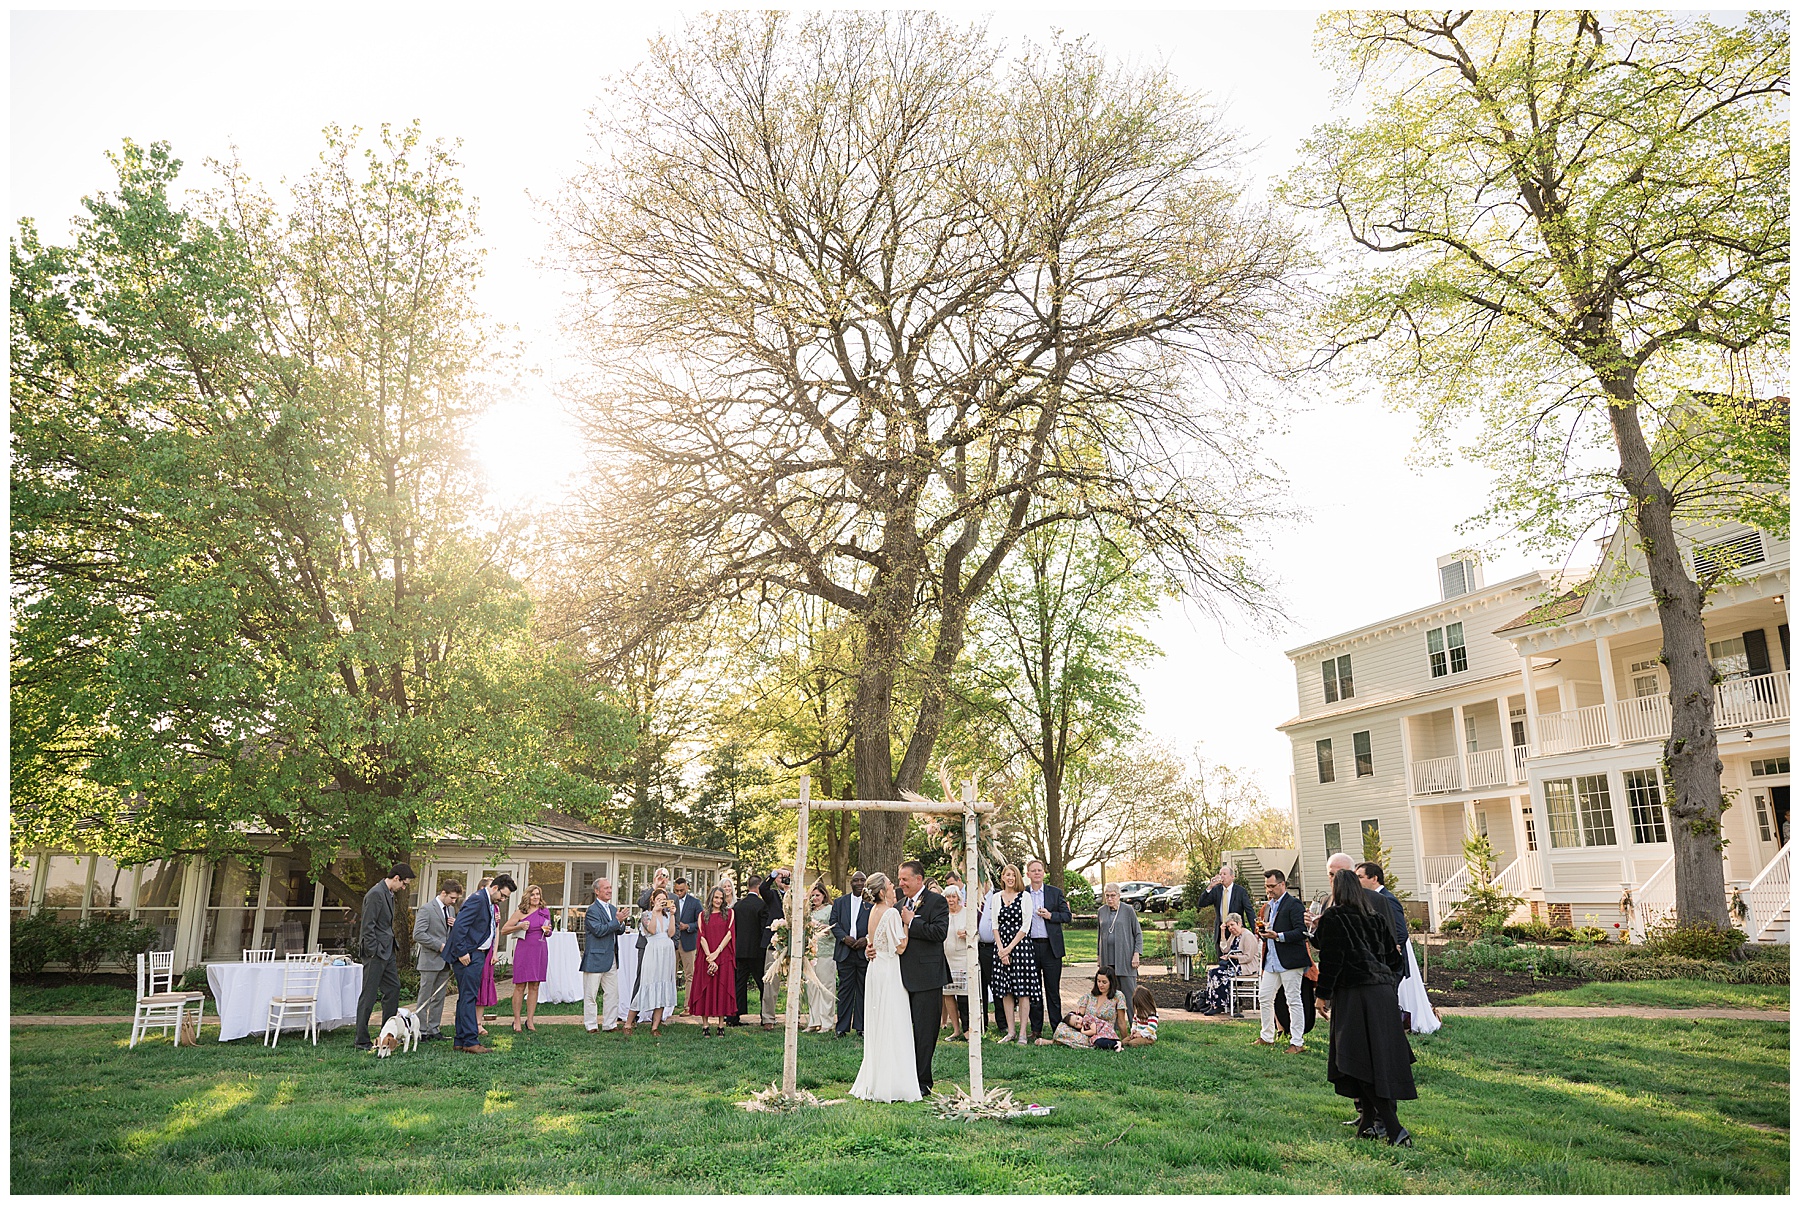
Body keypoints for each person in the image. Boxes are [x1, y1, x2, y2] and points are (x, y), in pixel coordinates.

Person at [1315, 868, 1416, 1146]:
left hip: (1355, 996)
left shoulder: (1334, 917)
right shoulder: (1375, 918)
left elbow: (1331, 961)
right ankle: (1369, 1125)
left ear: (1337, 890)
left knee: (1358, 1060)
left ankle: (1395, 1130)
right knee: (1373, 1060)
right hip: (1382, 995)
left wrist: (1321, 996)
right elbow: (1395, 961)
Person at [849, 873, 920, 1101]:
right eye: (890, 884)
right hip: (888, 971)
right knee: (893, 1022)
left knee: (879, 1023)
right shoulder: (890, 913)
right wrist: (907, 923)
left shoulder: (872, 913)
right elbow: (900, 947)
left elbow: (872, 943)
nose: (893, 887)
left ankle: (878, 1078)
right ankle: (894, 1083)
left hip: (875, 969)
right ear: (882, 891)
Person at [1357, 861, 1440, 1035]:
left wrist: (1390, 952)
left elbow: (1401, 932)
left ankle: (1397, 1026)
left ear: (1374, 878)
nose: (1357, 881)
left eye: (1360, 877)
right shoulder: (1371, 899)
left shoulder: (1387, 899)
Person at [441, 872, 516, 1053]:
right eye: (503, 895)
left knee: (466, 997)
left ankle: (460, 1039)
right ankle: (470, 1041)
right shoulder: (477, 899)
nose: (503, 900)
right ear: (495, 888)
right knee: (469, 998)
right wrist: (462, 952)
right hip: (469, 954)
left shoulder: (489, 901)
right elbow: (460, 926)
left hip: (477, 953)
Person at [893, 860, 951, 1094]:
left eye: (905, 879)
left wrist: (912, 922)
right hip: (901, 976)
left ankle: (922, 1081)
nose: (901, 883)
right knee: (904, 1030)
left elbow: (939, 933)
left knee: (926, 1032)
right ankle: (905, 1076)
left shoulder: (937, 902)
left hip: (928, 977)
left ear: (919, 879)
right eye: (899, 879)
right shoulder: (897, 904)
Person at [353, 863, 414, 1051]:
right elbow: (367, 927)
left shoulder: (388, 894)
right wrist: (374, 951)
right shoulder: (375, 894)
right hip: (375, 953)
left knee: (394, 989)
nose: (404, 888)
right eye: (404, 884)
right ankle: (361, 1040)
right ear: (396, 878)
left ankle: (387, 1033)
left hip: (387, 951)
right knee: (369, 996)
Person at [1255, 868, 1312, 1052]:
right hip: (1272, 960)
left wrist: (1278, 935)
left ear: (1282, 884)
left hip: (1290, 960)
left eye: (1272, 886)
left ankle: (1297, 1042)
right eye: (1266, 887)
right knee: (1264, 997)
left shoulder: (1294, 905)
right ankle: (1266, 1036)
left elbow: (1301, 932)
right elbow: (1270, 932)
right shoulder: (1269, 906)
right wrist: (1263, 934)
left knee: (1293, 1000)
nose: (1269, 890)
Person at [1023, 859, 1072, 1042]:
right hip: (1030, 947)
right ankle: (1035, 1029)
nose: (1036, 873)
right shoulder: (1023, 893)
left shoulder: (1055, 893)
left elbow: (1067, 916)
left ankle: (1056, 1028)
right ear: (1027, 874)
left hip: (1051, 949)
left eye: (1039, 870)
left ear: (1044, 873)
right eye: (1033, 871)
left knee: (1052, 991)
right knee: (1034, 991)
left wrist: (1050, 916)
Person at [992, 863, 1039, 1046]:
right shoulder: (997, 897)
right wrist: (1001, 950)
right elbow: (995, 925)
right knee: (1006, 991)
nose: (1010, 878)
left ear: (1017, 877)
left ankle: (1022, 1034)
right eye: (1007, 875)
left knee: (1023, 992)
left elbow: (1025, 926)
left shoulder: (1025, 896)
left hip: (1020, 948)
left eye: (1013, 875)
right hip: (1002, 947)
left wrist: (1009, 948)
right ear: (1002, 877)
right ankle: (1010, 1032)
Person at [410, 879, 462, 1042]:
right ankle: (421, 1030)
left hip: (445, 961)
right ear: (443, 893)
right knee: (425, 996)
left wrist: (456, 925)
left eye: (455, 899)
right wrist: (439, 946)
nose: (454, 901)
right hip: (430, 960)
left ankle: (434, 1028)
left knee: (439, 997)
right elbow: (418, 934)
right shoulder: (427, 909)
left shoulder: (451, 910)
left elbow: (450, 933)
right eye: (452, 898)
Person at [580, 877, 628, 1034]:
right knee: (591, 994)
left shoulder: (613, 909)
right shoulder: (592, 910)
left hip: (611, 958)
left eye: (610, 887)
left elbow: (618, 931)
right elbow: (599, 930)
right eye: (605, 888)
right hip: (595, 957)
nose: (609, 890)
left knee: (612, 994)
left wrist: (621, 922)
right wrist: (617, 921)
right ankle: (591, 1025)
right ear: (596, 891)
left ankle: (610, 1024)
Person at [630, 886, 679, 1036]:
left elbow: (671, 933)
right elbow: (651, 930)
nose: (661, 902)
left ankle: (655, 1026)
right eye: (659, 900)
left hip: (666, 951)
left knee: (663, 986)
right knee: (646, 984)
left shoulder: (666, 916)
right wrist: (656, 911)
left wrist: (672, 915)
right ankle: (628, 1021)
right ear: (653, 901)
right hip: (652, 951)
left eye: (664, 900)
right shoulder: (646, 915)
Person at [692, 885, 738, 1037]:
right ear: (711, 898)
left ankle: (720, 1025)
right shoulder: (702, 915)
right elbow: (701, 936)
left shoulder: (730, 913)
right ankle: (705, 1025)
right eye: (716, 897)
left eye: (721, 898)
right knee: (705, 990)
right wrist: (709, 956)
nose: (718, 900)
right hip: (706, 957)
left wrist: (717, 953)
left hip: (723, 957)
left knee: (722, 990)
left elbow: (730, 934)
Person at [505, 884, 552, 1033]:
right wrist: (519, 926)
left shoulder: (545, 911)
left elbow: (549, 932)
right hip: (524, 951)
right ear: (527, 896)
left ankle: (530, 1020)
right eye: (533, 894)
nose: (536, 897)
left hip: (540, 949)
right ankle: (517, 1020)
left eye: (538, 894)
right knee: (520, 986)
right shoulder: (521, 912)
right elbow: (505, 929)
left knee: (535, 985)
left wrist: (548, 930)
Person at [1046, 967, 1129, 1049]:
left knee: (1096, 1040)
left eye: (1104, 982)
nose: (1100, 985)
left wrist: (1124, 1039)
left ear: (1111, 982)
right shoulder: (1090, 996)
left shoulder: (1118, 996)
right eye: (1098, 981)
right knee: (1062, 1026)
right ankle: (1058, 1040)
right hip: (1087, 1031)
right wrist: (1077, 1014)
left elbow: (1121, 1021)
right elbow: (1080, 1016)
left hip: (1104, 1033)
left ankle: (1059, 1042)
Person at [830, 870, 870, 1038]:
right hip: (845, 952)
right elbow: (833, 922)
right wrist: (843, 938)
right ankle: (842, 1027)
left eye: (862, 880)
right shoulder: (840, 902)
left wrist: (866, 939)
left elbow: (876, 925)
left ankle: (861, 1027)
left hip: (864, 953)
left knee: (863, 989)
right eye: (856, 880)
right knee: (845, 990)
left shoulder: (872, 904)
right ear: (851, 883)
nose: (859, 883)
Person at [1198, 911, 1262, 1016]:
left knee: (1218, 974)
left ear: (1239, 923)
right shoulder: (1234, 936)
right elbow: (1225, 949)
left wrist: (1231, 956)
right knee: (1211, 972)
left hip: (1246, 966)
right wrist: (1222, 932)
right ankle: (1212, 1004)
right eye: (1228, 926)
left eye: (1232, 925)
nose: (1231, 928)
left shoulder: (1248, 936)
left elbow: (1248, 957)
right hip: (1234, 964)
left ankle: (1220, 1005)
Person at [1095, 883, 1144, 1005]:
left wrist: (1136, 954)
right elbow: (1099, 935)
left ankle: (1134, 1023)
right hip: (1107, 959)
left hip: (1125, 959)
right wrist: (1099, 956)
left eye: (1112, 896)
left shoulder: (1128, 910)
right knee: (1111, 997)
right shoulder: (1101, 911)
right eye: (1107, 896)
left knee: (1129, 995)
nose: (1110, 899)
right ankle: (1114, 1024)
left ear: (1118, 896)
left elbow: (1138, 933)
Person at [1194, 863, 1255, 957]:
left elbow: (1249, 911)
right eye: (1220, 874)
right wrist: (1210, 887)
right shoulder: (1216, 890)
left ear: (1232, 877)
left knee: (1235, 960)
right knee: (1222, 960)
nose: (1222, 876)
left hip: (1236, 931)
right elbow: (1201, 903)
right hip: (1221, 930)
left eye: (1224, 874)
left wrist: (1255, 931)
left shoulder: (1240, 891)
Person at [732, 875, 767, 1026]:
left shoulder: (737, 906)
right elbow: (763, 929)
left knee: (739, 984)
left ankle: (734, 1017)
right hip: (757, 952)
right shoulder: (762, 905)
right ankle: (765, 1017)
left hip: (739, 951)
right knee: (762, 984)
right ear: (759, 887)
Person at [758, 869, 790, 1029]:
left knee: (794, 982)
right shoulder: (772, 895)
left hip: (792, 943)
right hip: (773, 943)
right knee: (770, 982)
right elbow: (762, 889)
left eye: (786, 877)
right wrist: (773, 874)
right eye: (780, 877)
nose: (783, 879)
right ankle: (768, 1018)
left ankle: (794, 1017)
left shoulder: (797, 896)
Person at [940, 885, 973, 1040]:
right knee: (948, 994)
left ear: (959, 898)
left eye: (953, 897)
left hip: (962, 958)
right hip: (946, 959)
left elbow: (976, 934)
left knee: (964, 995)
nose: (951, 900)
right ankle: (956, 1029)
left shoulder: (967, 913)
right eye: (948, 897)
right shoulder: (942, 914)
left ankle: (967, 1029)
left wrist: (967, 934)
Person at [806, 882, 835, 1032]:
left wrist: (827, 929)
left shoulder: (830, 909)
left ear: (824, 895)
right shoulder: (807, 911)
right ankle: (813, 1020)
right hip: (810, 954)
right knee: (811, 987)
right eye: (813, 895)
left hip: (826, 952)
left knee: (826, 987)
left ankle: (827, 1022)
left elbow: (835, 929)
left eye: (817, 895)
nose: (815, 898)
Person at [671, 877, 702, 1011]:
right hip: (672, 942)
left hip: (688, 942)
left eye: (681, 890)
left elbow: (701, 921)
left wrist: (688, 926)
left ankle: (688, 1006)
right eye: (676, 890)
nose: (678, 893)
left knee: (690, 974)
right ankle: (669, 1006)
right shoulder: (669, 901)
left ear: (687, 888)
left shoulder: (695, 903)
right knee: (669, 974)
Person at [475, 876, 500, 1035]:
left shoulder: (496, 907)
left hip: (489, 950)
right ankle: (470, 1021)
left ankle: (479, 1022)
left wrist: (495, 952)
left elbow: (497, 931)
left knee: (484, 985)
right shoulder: (477, 903)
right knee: (475, 985)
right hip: (477, 950)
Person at [976, 879, 1000, 1034]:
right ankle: (982, 1023)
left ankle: (1002, 1022)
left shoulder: (997, 896)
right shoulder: (973, 898)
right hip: (976, 947)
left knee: (996, 986)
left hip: (993, 948)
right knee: (979, 987)